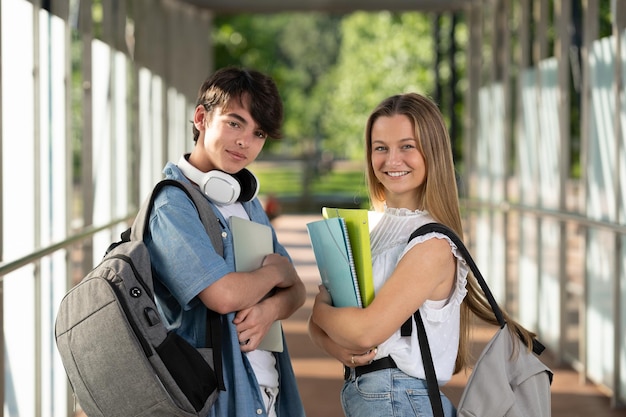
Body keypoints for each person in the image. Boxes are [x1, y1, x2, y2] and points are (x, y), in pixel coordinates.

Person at [308, 93, 535, 417]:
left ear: (432, 151)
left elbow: (363, 332)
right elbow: (332, 334)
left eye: (407, 146)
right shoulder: (373, 231)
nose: (391, 160)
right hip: (377, 396)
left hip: (399, 400)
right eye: (380, 147)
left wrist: (319, 311)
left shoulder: (432, 244)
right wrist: (336, 341)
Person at [146, 66, 307, 417]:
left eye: (258, 133)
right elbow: (222, 295)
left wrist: (269, 310)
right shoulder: (173, 205)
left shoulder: (246, 200)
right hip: (217, 398)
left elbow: (296, 290)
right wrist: (274, 272)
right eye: (235, 123)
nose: (244, 142)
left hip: (268, 391)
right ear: (201, 117)